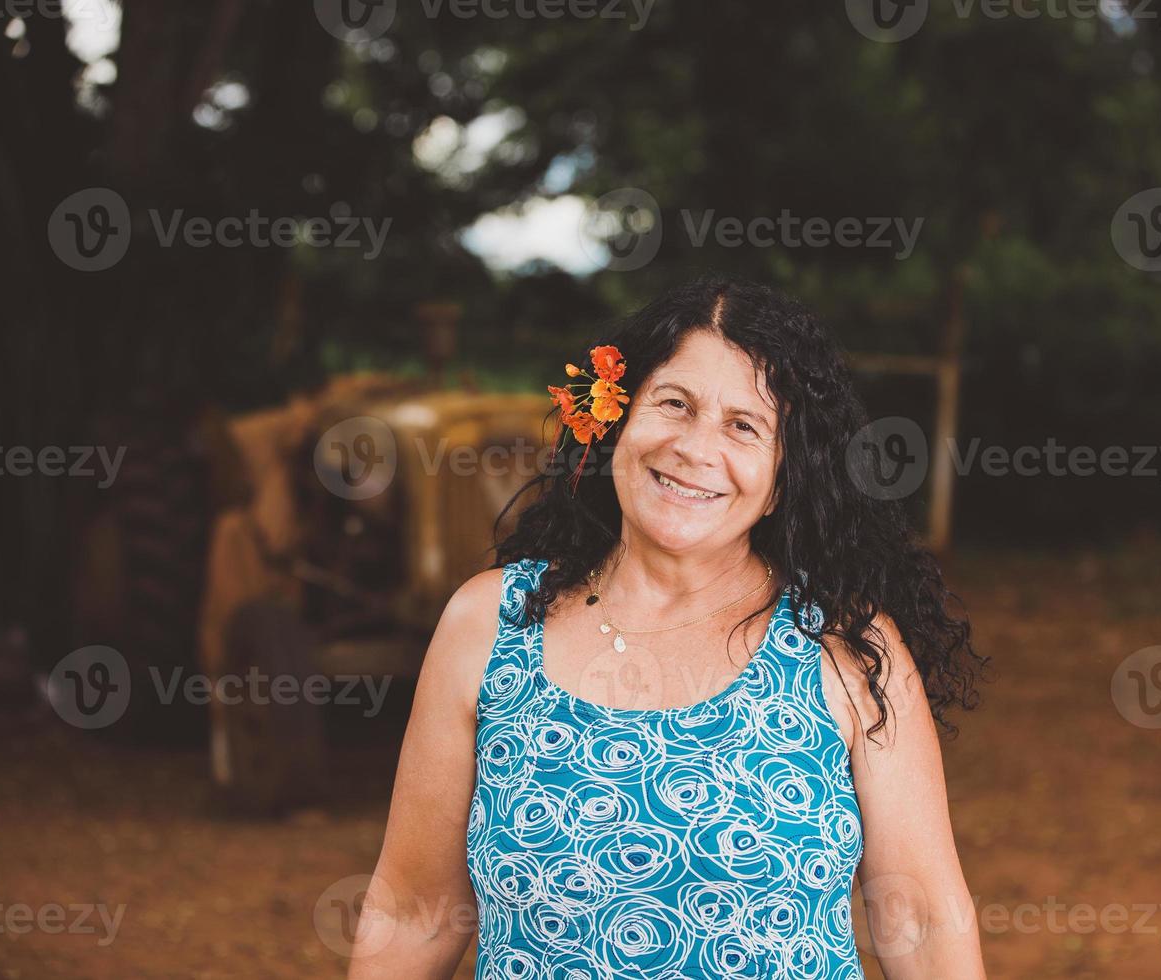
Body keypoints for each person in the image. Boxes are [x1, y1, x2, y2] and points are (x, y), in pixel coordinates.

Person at [350, 276, 990, 978]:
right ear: (613, 420)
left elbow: (922, 918)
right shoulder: (488, 625)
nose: (694, 447)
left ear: (783, 478)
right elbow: (415, 910)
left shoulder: (842, 649)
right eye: (674, 404)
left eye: (743, 426)